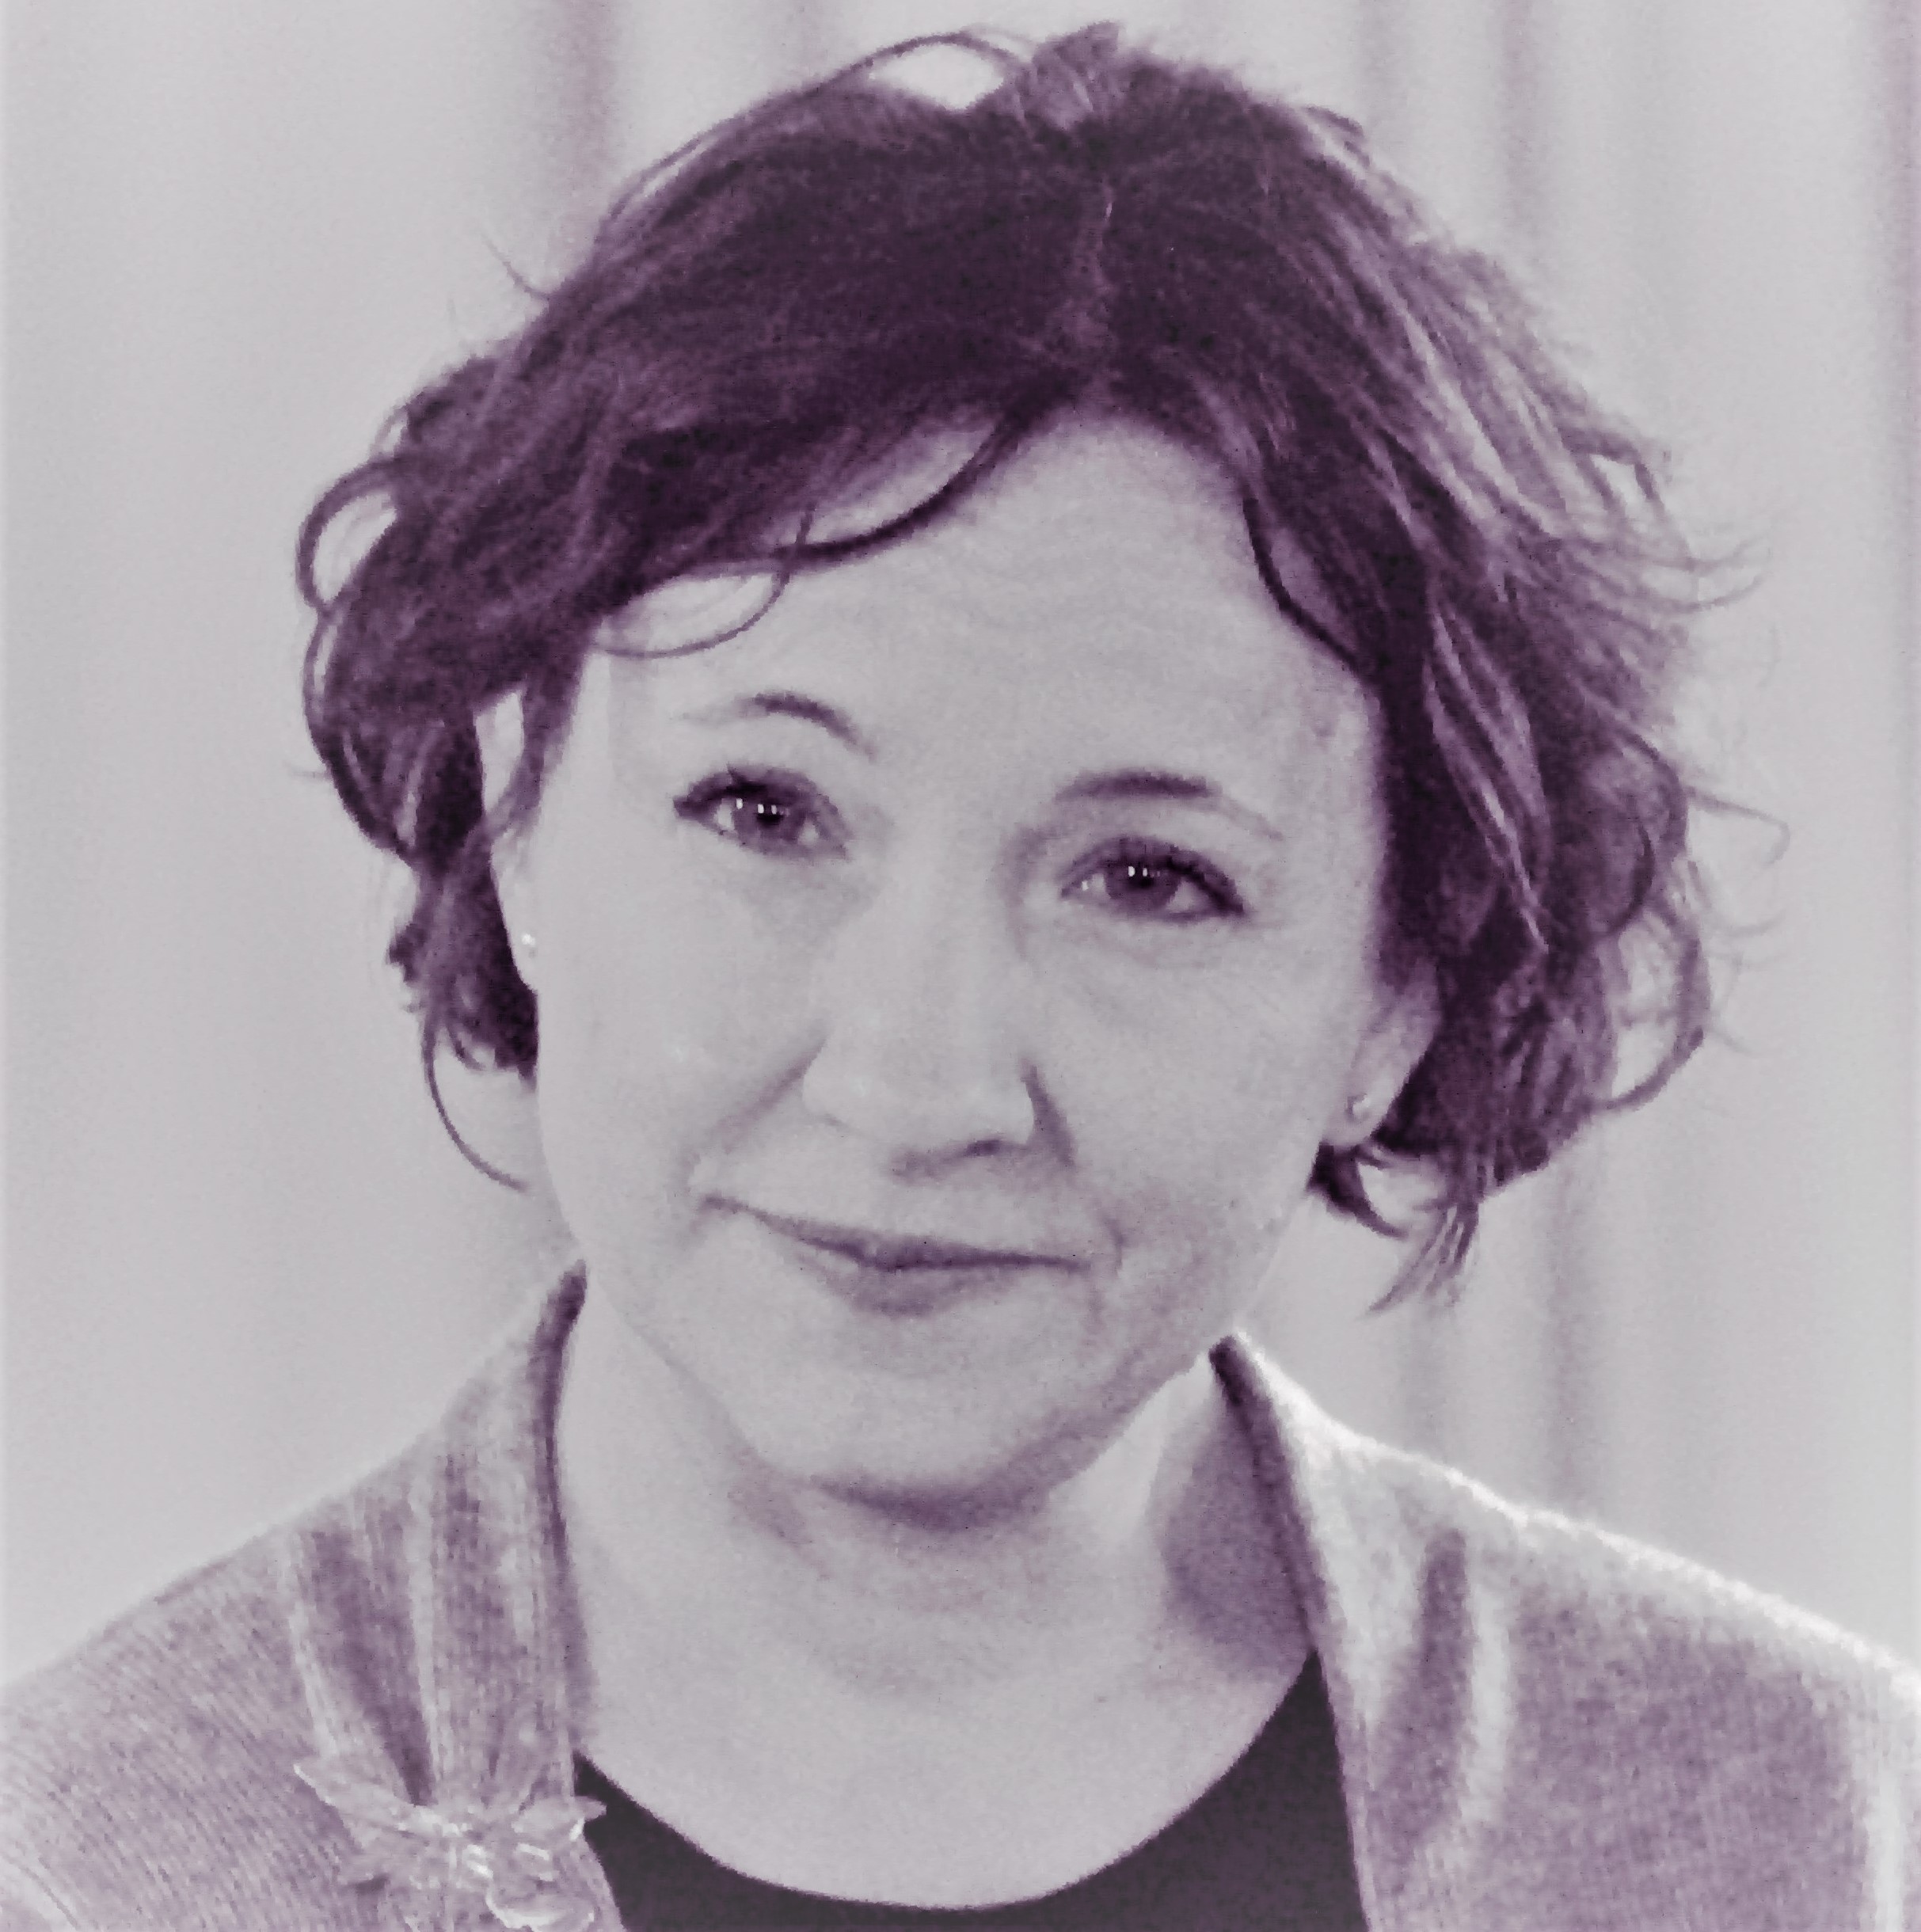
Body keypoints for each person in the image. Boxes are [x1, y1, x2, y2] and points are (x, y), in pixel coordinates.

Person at [4, 24, 1916, 1931]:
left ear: (1401, 991)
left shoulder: (1796, 1826)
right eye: (764, 809)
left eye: (1148, 879)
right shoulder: (89, 1862)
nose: (915, 1086)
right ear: (516, 808)